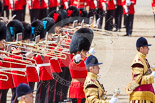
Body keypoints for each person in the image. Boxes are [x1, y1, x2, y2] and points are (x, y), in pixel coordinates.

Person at [125, 37, 155, 102]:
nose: (148, 49)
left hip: (145, 93)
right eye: (146, 47)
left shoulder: (143, 58)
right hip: (140, 96)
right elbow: (138, 80)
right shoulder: (138, 61)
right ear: (141, 48)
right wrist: (152, 76)